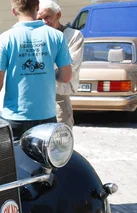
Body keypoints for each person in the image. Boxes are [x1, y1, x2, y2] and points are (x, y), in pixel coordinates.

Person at [0, 0, 72, 139]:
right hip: (46, 114)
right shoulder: (56, 36)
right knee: (43, 159)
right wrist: (47, 73)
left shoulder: (5, 38)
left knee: (17, 159)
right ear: (37, 7)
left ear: (14, 11)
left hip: (16, 115)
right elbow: (66, 77)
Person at [38, 0, 84, 128]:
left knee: (60, 138)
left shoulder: (73, 36)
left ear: (58, 15)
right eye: (40, 18)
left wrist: (39, 71)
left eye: (47, 17)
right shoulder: (37, 36)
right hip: (36, 94)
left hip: (59, 94)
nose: (44, 22)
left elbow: (68, 67)